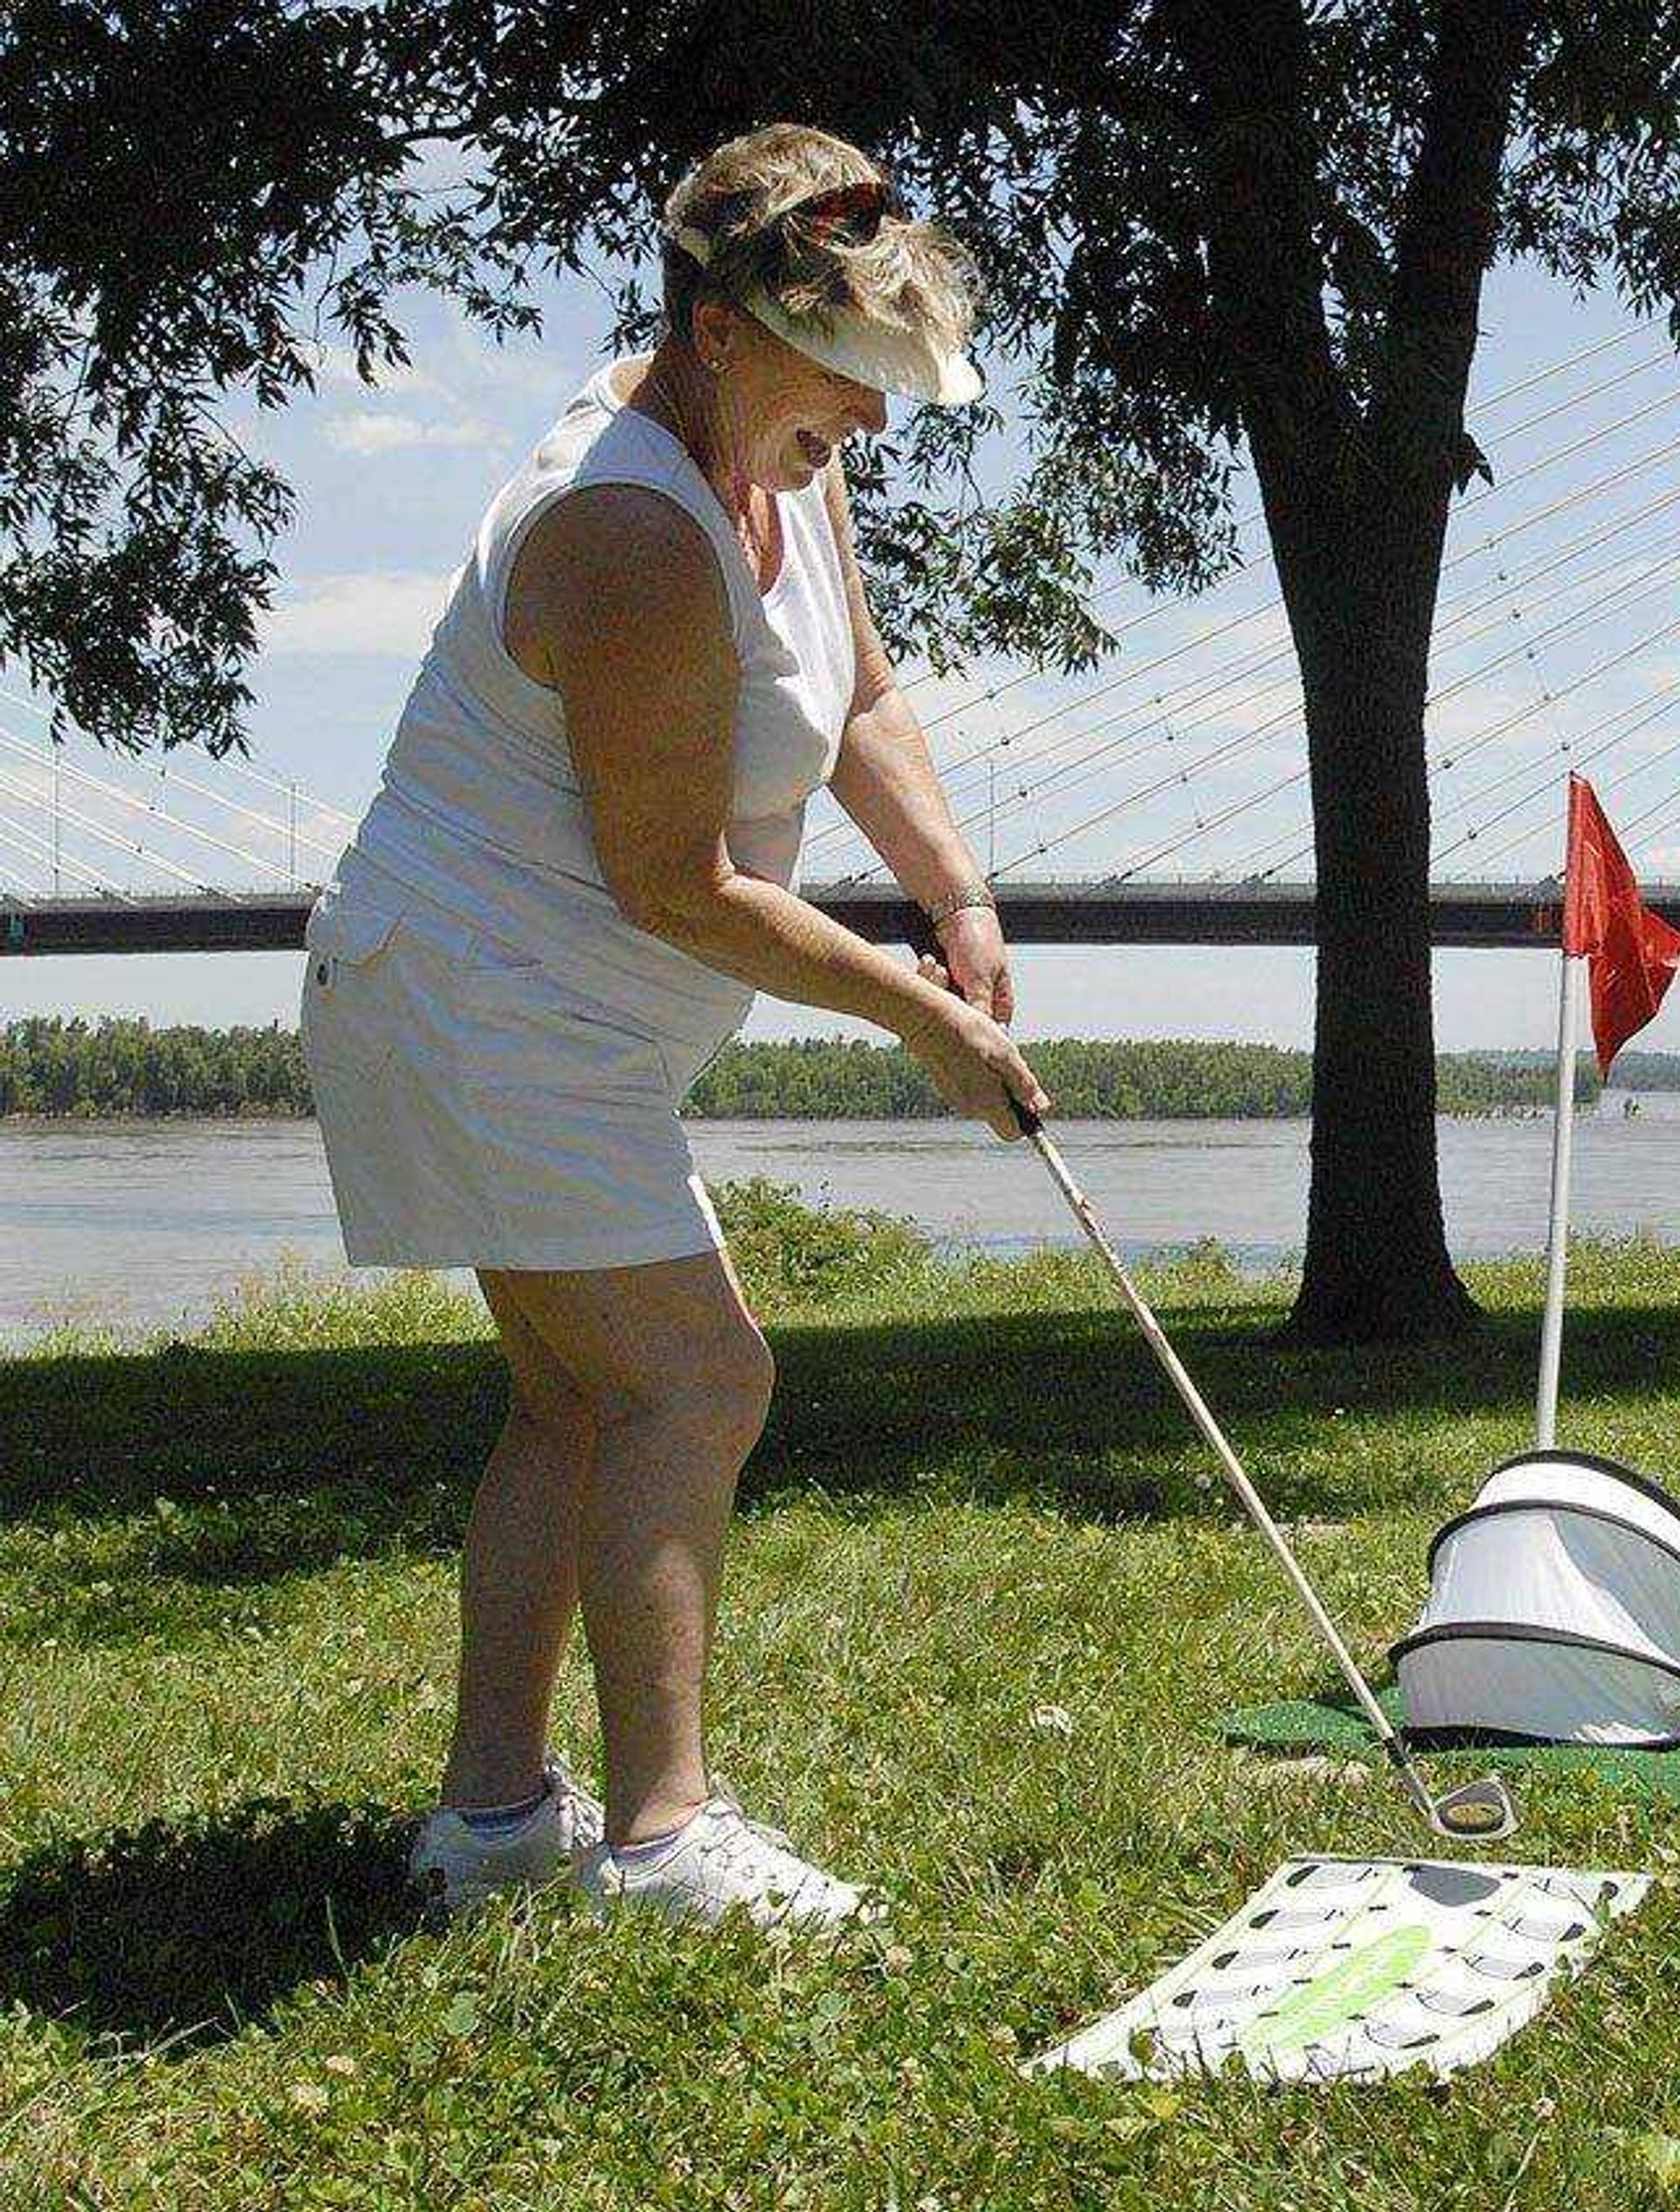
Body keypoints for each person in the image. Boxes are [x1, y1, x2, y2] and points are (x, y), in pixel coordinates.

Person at [300, 125, 1047, 1928]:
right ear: (717, 328)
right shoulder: (626, 524)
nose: (871, 417)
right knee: (695, 1378)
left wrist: (952, 889)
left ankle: (490, 1827)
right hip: (479, 997)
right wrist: (917, 1023)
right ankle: (662, 1836)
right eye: (845, 371)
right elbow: (673, 883)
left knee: (577, 1401)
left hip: (533, 1008)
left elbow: (854, 685)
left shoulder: (776, 468)